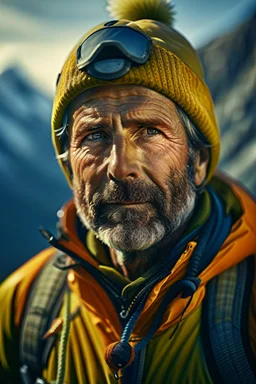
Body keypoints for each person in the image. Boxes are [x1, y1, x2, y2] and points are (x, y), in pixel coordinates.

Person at [1, 0, 256, 383]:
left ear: (199, 161)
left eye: (150, 131)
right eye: (95, 135)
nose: (121, 167)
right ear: (70, 167)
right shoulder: (19, 307)